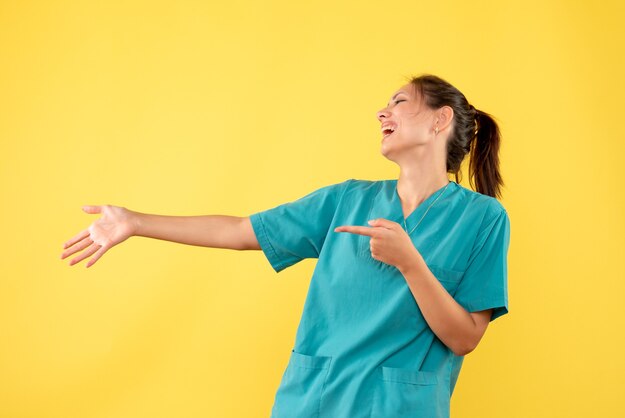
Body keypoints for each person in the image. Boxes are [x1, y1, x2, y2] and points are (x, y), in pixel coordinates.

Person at [60, 73, 511, 418]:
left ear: (440, 119)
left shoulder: (484, 220)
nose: (381, 113)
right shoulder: (345, 200)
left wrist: (411, 264)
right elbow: (240, 231)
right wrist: (135, 222)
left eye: (398, 103)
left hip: (397, 407)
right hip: (312, 401)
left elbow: (465, 337)